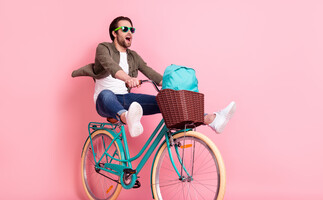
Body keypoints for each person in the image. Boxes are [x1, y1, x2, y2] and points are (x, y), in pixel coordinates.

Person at [72, 16, 236, 137]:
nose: (130, 32)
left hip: (126, 99)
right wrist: (128, 78)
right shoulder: (103, 48)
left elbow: (150, 72)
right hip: (105, 101)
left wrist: (174, 87)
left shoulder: (133, 56)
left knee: (164, 101)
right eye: (125, 29)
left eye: (132, 29)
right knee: (106, 94)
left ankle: (212, 119)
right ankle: (126, 117)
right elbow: (110, 65)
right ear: (114, 34)